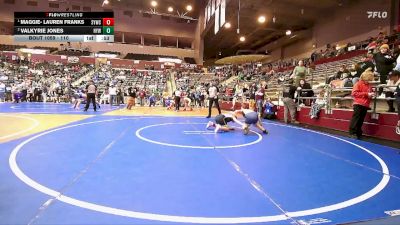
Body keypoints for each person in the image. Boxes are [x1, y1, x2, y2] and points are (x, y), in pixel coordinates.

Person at [349, 68, 375, 139]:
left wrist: (372, 95)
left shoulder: (369, 86)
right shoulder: (358, 84)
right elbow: (354, 93)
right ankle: (352, 132)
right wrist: (367, 94)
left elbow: (369, 94)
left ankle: (358, 132)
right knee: (356, 119)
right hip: (358, 104)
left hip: (365, 105)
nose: (369, 81)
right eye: (368, 80)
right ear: (364, 78)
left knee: (361, 119)